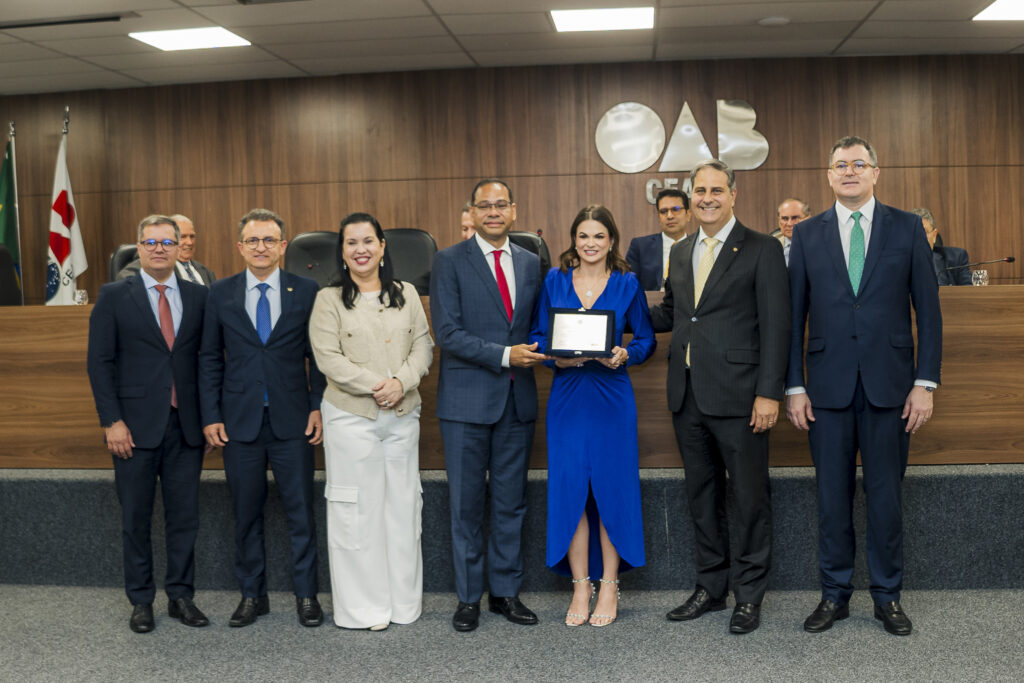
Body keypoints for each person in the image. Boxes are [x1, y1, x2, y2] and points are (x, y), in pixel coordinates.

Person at [787, 136, 941, 636]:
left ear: (876, 172)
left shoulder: (907, 228)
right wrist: (793, 386)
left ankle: (887, 596)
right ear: (829, 175)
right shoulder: (806, 234)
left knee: (885, 499)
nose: (849, 171)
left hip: (891, 388)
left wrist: (924, 382)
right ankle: (833, 595)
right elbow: (793, 317)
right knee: (831, 499)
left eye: (859, 163)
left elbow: (929, 312)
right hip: (826, 390)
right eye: (840, 165)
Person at [650, 159, 790, 635]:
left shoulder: (762, 248)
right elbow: (674, 314)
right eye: (700, 191)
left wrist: (769, 393)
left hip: (741, 397)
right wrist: (609, 306)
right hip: (687, 395)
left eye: (716, 190)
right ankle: (710, 588)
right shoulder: (681, 250)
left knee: (749, 499)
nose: (707, 198)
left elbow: (777, 325)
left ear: (733, 195)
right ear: (691, 197)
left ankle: (748, 596)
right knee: (702, 497)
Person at [199, 208, 327, 628]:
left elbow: (319, 357)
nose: (261, 247)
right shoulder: (220, 293)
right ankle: (252, 596)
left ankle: (307, 595)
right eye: (253, 240)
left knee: (301, 513)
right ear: (240, 247)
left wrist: (317, 405)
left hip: (294, 421)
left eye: (269, 240)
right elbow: (209, 359)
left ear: (283, 246)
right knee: (246, 513)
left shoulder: (306, 290)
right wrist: (211, 415)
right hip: (239, 423)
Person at [529, 204, 656, 627]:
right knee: (571, 491)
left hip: (611, 398)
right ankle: (581, 586)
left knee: (611, 490)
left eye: (599, 236)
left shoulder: (626, 282)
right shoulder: (554, 279)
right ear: (574, 239)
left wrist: (625, 354)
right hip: (568, 396)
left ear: (612, 240)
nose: (590, 243)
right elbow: (537, 335)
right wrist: (555, 360)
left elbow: (646, 339)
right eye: (583, 236)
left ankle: (610, 585)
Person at [429, 179, 546, 632]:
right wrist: (504, 355)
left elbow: (537, 326)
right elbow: (448, 333)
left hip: (516, 401)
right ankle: (467, 598)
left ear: (514, 211)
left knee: (511, 504)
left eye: (501, 205)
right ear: (472, 213)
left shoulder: (531, 262)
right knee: (465, 506)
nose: (493, 212)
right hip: (465, 404)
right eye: (485, 205)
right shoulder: (448, 260)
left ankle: (505, 593)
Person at [309, 212, 434, 631]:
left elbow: (423, 346)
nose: (360, 249)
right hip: (351, 418)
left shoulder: (407, 293)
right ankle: (364, 610)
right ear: (342, 252)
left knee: (403, 509)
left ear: (382, 246)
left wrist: (401, 382)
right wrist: (378, 386)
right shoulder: (328, 300)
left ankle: (403, 605)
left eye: (368, 241)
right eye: (351, 243)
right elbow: (328, 359)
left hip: (402, 416)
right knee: (356, 514)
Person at [87, 215, 210, 633]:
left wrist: (209, 419)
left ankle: (181, 596)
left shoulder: (199, 296)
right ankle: (141, 601)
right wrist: (112, 421)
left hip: (186, 427)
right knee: (135, 519)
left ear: (180, 248)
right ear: (138, 248)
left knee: (184, 518)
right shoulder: (113, 295)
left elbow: (207, 361)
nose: (160, 249)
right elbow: (99, 363)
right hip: (133, 429)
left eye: (167, 242)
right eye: (151, 242)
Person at [118, 214, 216, 286]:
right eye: (183, 237)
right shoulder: (151, 266)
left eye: (192, 236)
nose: (189, 242)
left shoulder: (206, 272)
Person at [626, 188, 691, 291]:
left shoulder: (699, 246)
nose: (669, 216)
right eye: (663, 211)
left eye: (676, 209)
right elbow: (628, 287)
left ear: (688, 214)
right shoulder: (640, 247)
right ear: (658, 217)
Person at [912, 207, 971, 286]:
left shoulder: (957, 259)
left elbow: (968, 290)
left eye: (924, 232)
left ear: (934, 235)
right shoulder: (897, 262)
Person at [773, 198, 811, 266]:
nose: (789, 224)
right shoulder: (772, 244)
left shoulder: (819, 243)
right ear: (779, 220)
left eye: (795, 218)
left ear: (808, 219)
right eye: (785, 218)